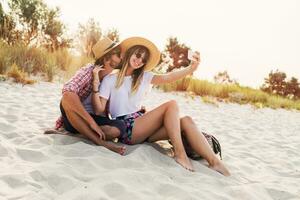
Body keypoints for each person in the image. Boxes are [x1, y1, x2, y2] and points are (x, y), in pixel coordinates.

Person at [90, 37, 230, 176]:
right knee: (171, 105)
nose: (139, 61)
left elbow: (168, 77)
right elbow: (99, 109)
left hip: (143, 125)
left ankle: (214, 162)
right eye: (138, 55)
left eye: (143, 59)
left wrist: (191, 68)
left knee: (186, 120)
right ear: (130, 52)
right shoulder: (110, 79)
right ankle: (180, 154)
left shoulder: (143, 77)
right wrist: (96, 85)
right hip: (127, 128)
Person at [55, 37, 128, 155]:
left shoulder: (112, 78)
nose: (121, 57)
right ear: (106, 58)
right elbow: (68, 90)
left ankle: (81, 134)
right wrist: (91, 123)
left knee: (120, 127)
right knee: (66, 99)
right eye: (118, 54)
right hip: (75, 117)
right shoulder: (88, 71)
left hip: (96, 118)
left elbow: (108, 108)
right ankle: (101, 142)